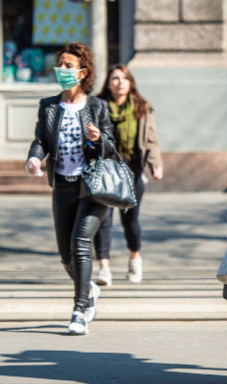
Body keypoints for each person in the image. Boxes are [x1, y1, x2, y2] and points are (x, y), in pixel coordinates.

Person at [25, 42, 114, 335]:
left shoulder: (98, 107)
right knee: (66, 255)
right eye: (60, 64)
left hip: (93, 188)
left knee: (80, 244)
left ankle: (79, 309)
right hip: (63, 186)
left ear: (82, 71)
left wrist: (99, 137)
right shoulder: (49, 106)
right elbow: (41, 140)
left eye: (68, 65)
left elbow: (113, 150)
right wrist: (35, 158)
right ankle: (87, 288)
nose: (61, 70)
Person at [92, 64, 163, 286]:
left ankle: (134, 258)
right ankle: (103, 267)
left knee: (130, 220)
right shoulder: (97, 107)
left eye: (124, 78)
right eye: (114, 78)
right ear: (109, 83)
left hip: (132, 171)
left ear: (131, 82)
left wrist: (155, 164)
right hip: (104, 168)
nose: (120, 82)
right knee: (102, 219)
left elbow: (151, 139)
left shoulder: (142, 108)